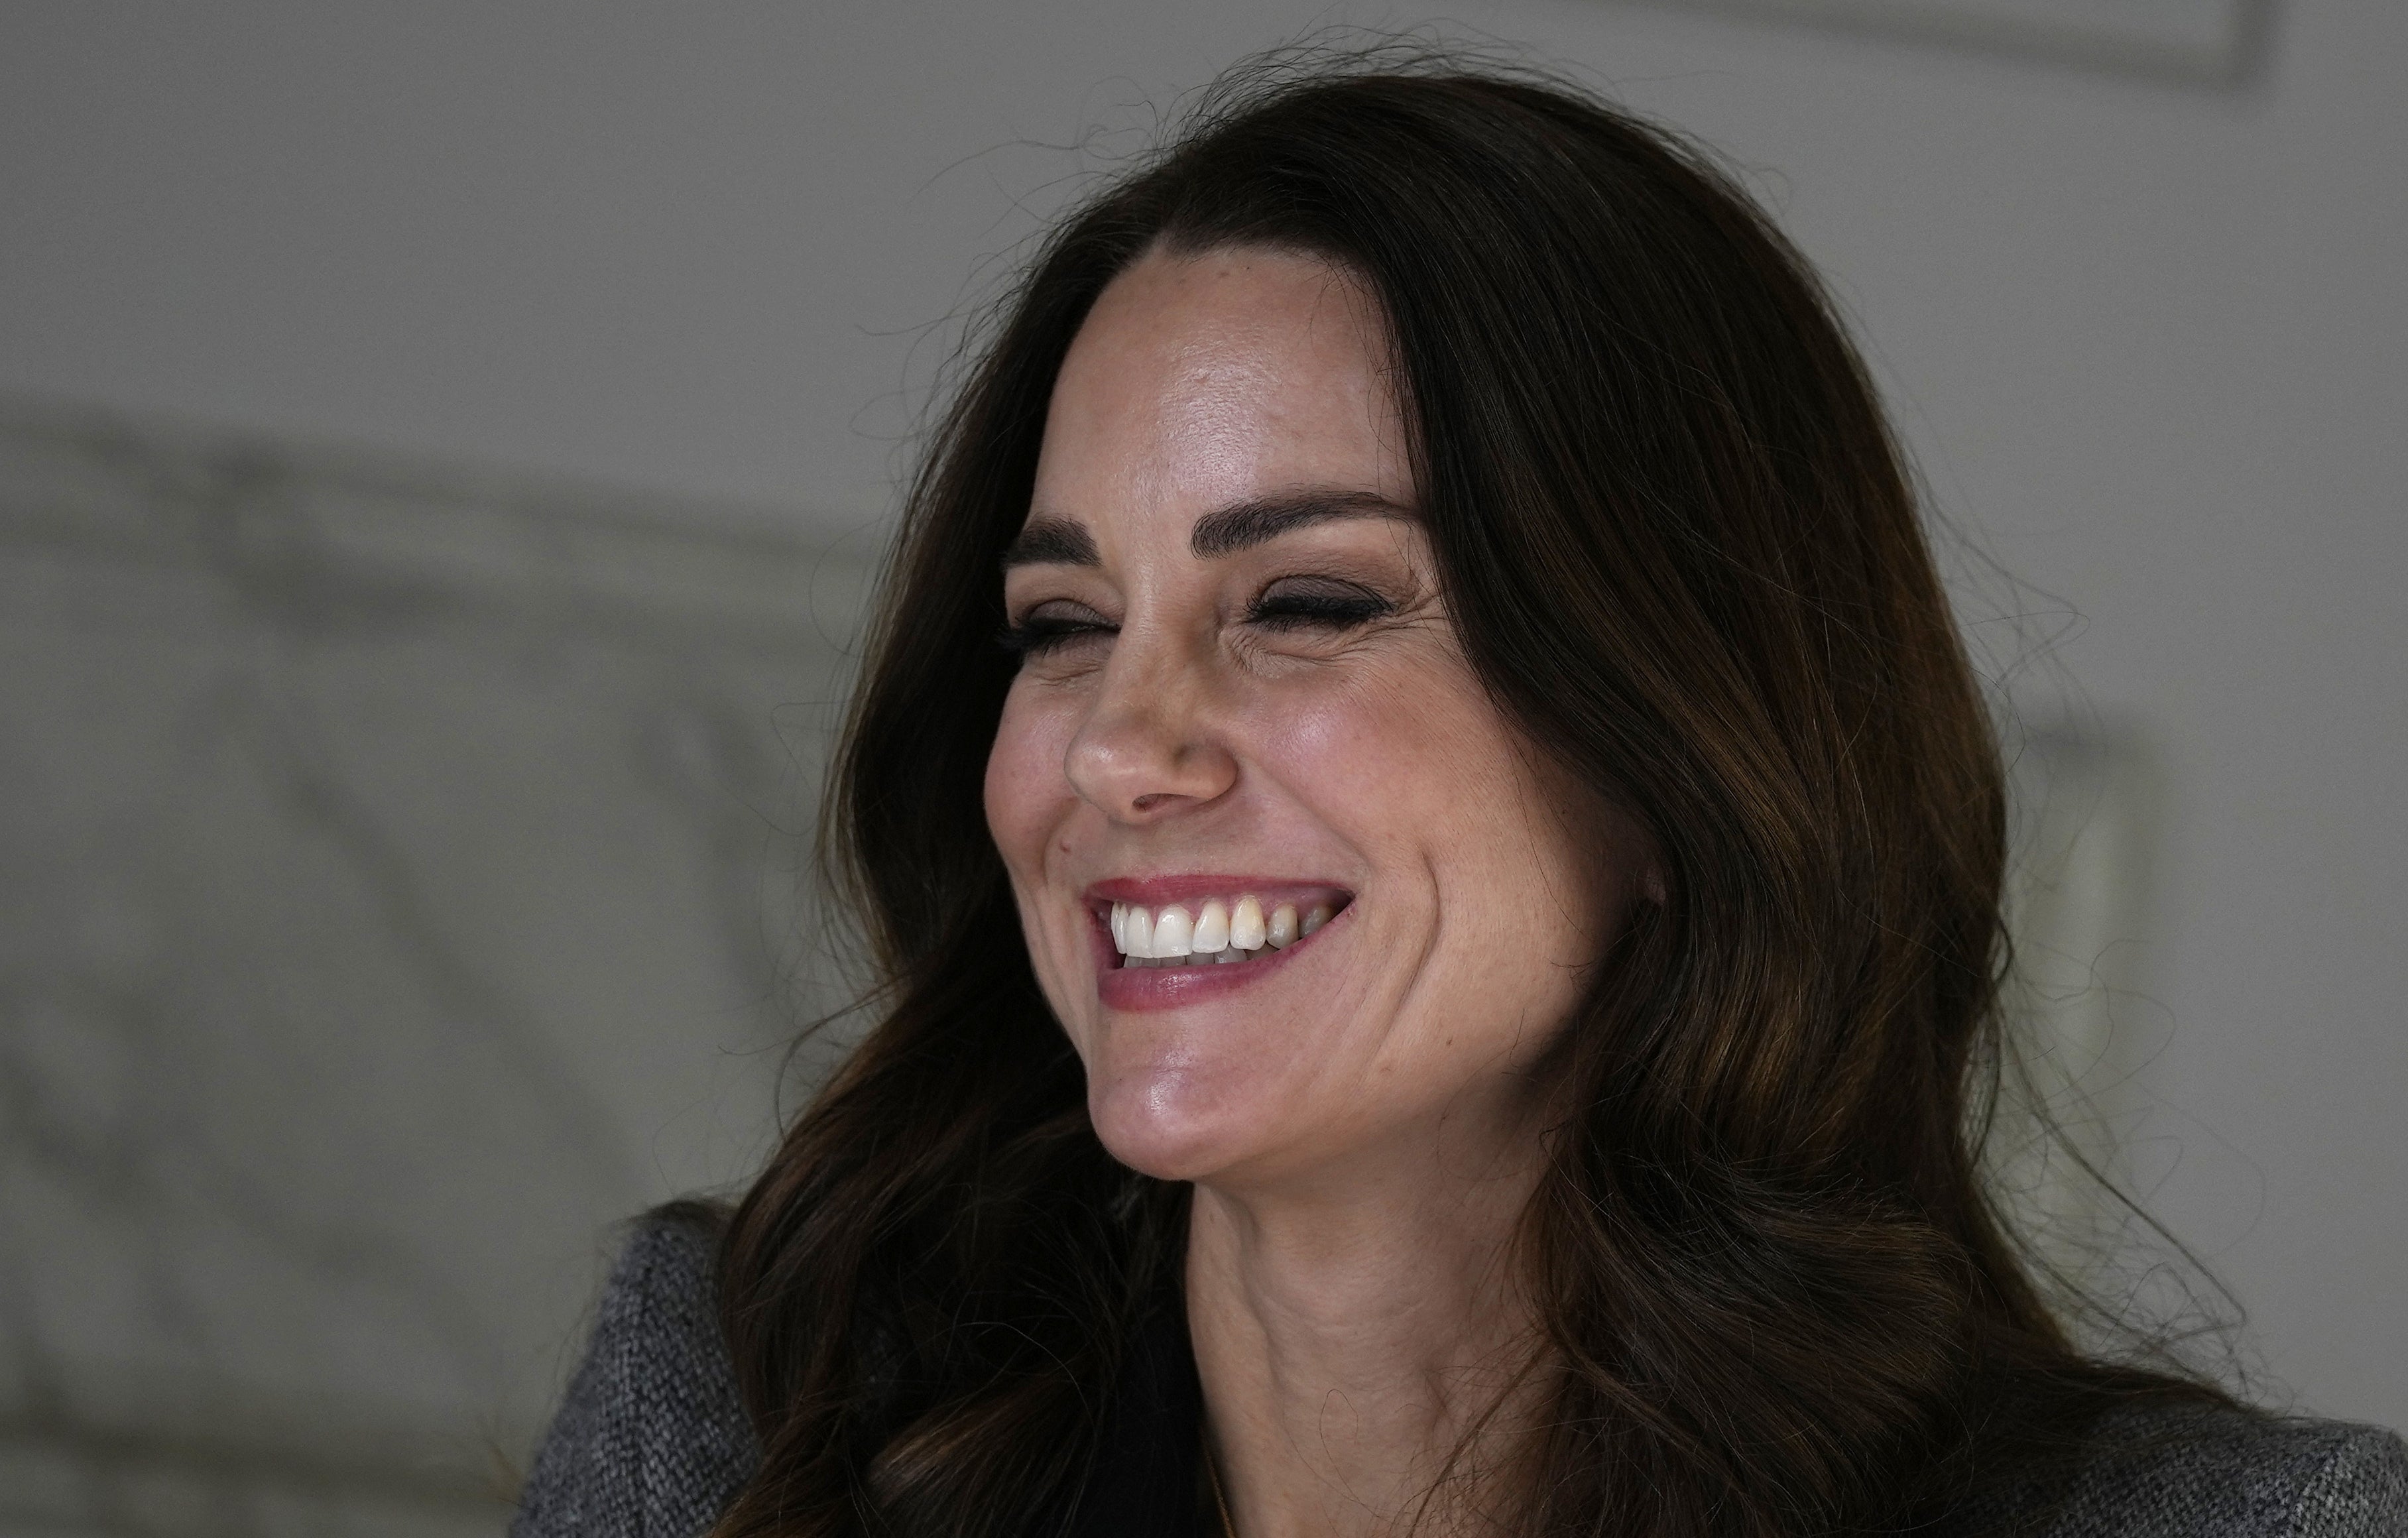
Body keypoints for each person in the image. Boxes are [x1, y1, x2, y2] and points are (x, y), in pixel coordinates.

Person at [511, 58, 2407, 1538]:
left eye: (1310, 604)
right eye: (1065, 621)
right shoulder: (741, 1423)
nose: (1115, 746)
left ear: (1683, 739)